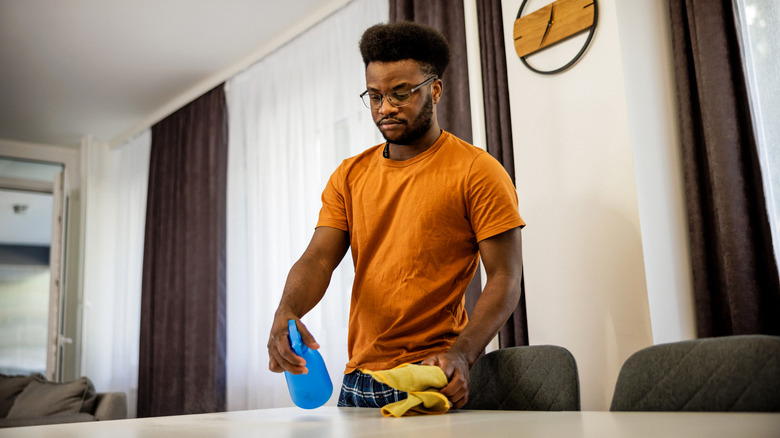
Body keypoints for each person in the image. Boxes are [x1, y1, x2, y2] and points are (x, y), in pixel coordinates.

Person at [267, 21, 524, 409]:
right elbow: (319, 258)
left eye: (400, 93)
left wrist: (463, 353)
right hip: (357, 380)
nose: (385, 108)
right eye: (374, 95)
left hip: (431, 375)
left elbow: (505, 276)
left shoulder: (476, 171)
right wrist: (287, 310)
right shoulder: (349, 175)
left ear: (434, 89)